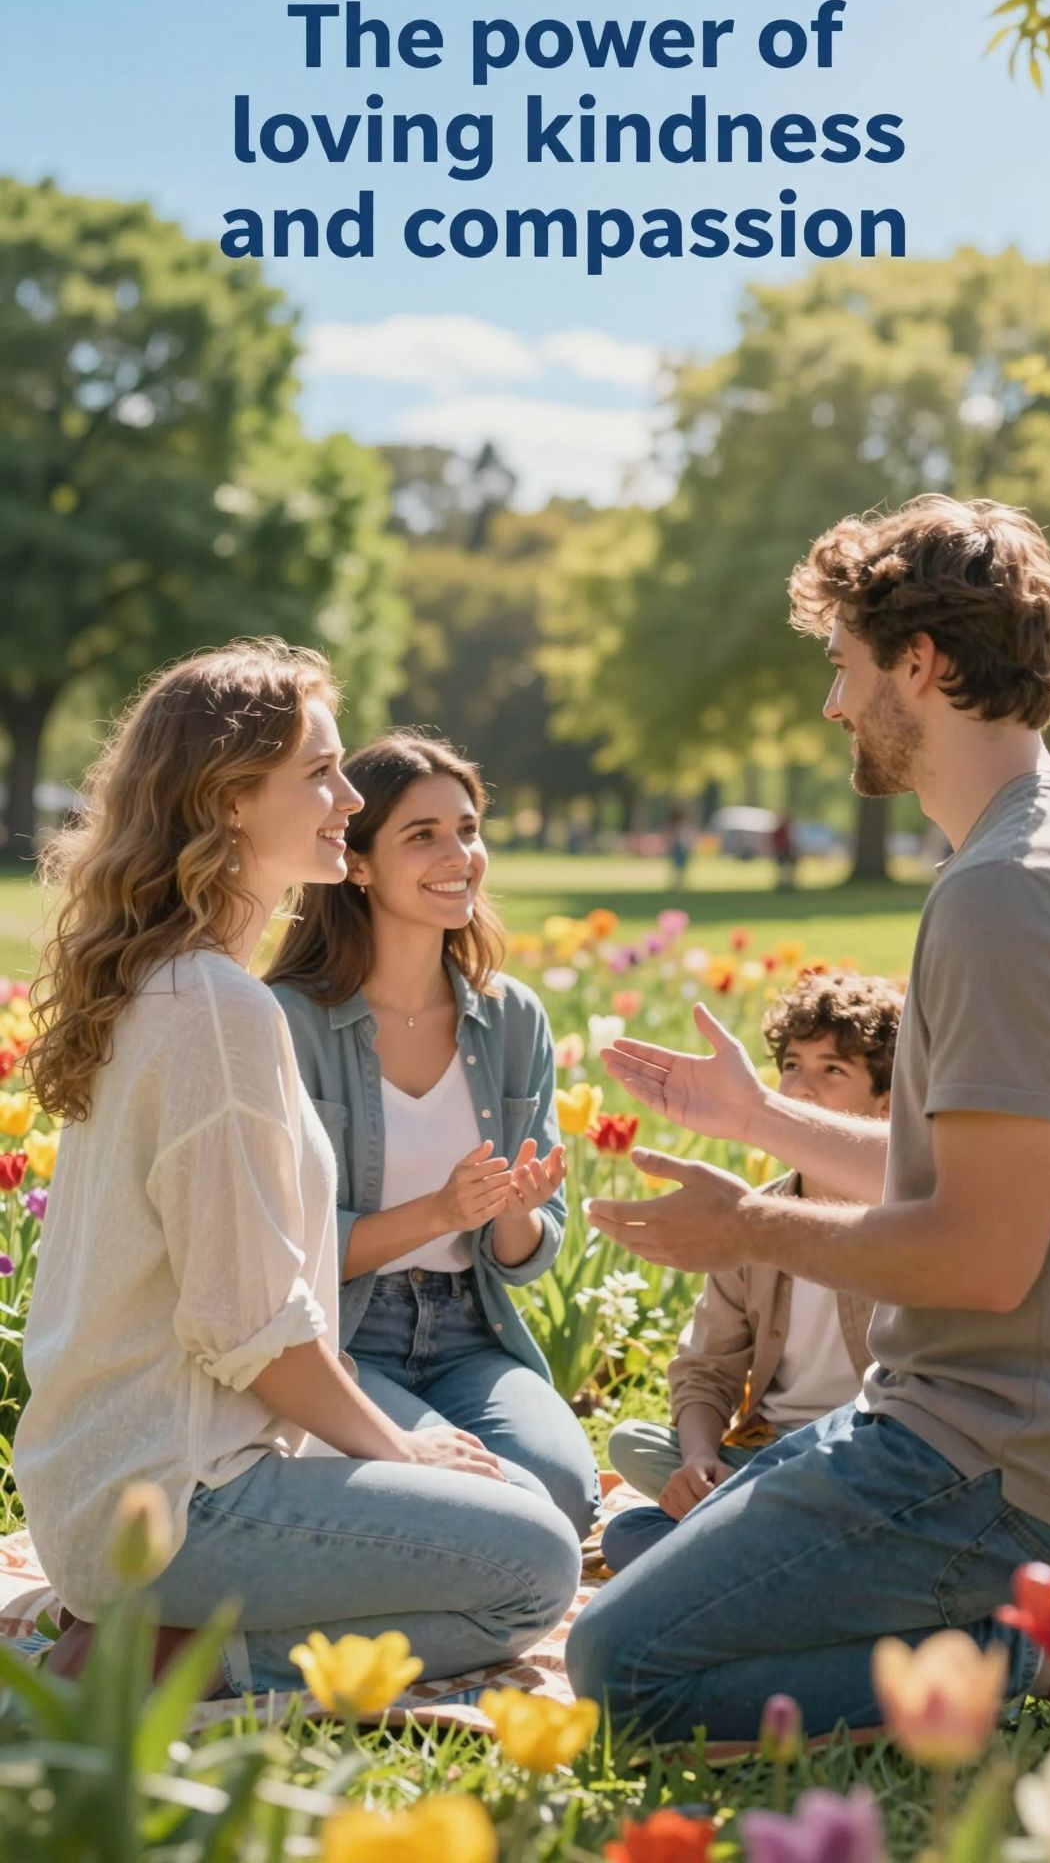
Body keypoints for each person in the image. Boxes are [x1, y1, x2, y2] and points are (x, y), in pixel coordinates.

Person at [567, 494, 1050, 1743]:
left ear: (920, 663)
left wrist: (747, 1227)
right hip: (1015, 1438)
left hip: (983, 1465)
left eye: (844, 665)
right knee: (654, 1529)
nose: (835, 703)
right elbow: (988, 1173)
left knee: (621, 1662)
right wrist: (764, 1117)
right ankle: (1049, 1599)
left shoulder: (1008, 892)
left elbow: (979, 1255)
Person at [14, 643, 580, 1696]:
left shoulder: (176, 985)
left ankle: (168, 1630)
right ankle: (166, 1659)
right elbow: (255, 1333)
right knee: (535, 1565)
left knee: (521, 1493)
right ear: (230, 800)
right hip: (176, 1500)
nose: (349, 798)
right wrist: (397, 1450)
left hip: (118, 1477)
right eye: (320, 772)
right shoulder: (215, 1011)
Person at [264, 730, 599, 1540]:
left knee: (559, 1493)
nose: (459, 856)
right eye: (423, 835)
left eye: (467, 830)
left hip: (469, 1331)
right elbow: (281, 1257)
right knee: (497, 1507)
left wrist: (513, 1210)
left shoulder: (513, 1017)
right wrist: (440, 1213)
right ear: (358, 863)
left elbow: (525, 1257)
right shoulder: (288, 1021)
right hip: (343, 1337)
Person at [602, 970, 901, 1572]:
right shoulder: (744, 1216)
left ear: (886, 1105)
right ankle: (784, 1550)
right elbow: (707, 1367)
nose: (801, 1088)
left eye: (832, 1070)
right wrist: (697, 1459)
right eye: (791, 1065)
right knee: (631, 1454)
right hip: (768, 1455)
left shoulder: (904, 1220)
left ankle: (741, 1550)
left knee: (643, 1540)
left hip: (863, 1453)